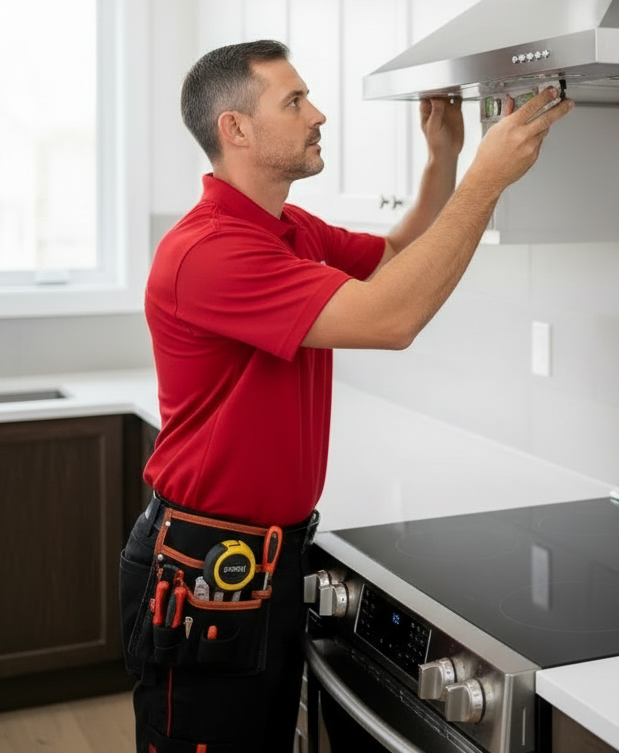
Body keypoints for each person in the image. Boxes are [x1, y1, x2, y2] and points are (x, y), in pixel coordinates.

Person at [118, 39, 572, 752]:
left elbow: (395, 261)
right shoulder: (209, 251)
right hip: (210, 571)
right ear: (235, 129)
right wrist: (486, 183)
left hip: (272, 555)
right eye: (294, 101)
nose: (317, 113)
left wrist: (444, 159)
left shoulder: (285, 231)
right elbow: (390, 318)